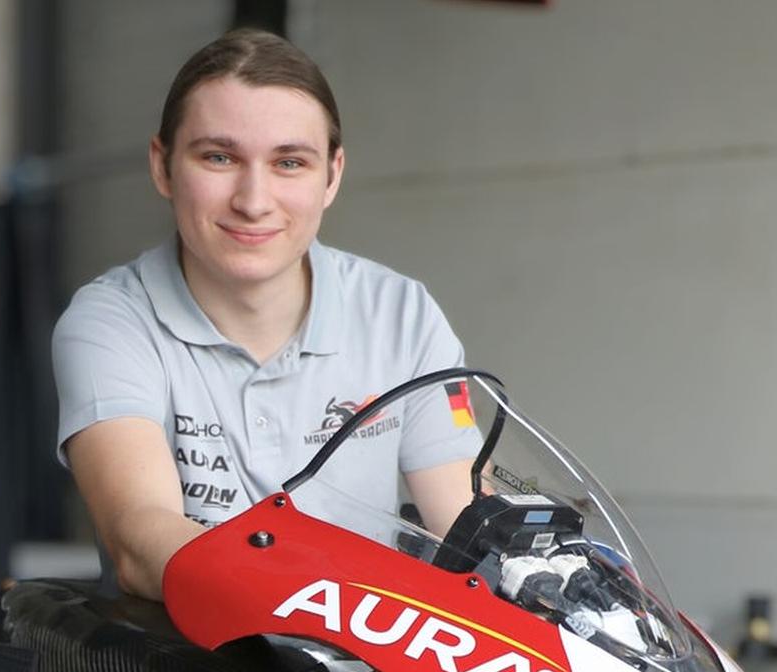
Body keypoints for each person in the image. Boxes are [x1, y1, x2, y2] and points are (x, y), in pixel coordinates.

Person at [54, 28, 480, 599]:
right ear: (163, 167)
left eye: (289, 163)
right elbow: (139, 536)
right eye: (219, 157)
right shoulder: (111, 321)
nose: (253, 201)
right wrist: (308, 598)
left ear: (332, 175)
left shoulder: (400, 312)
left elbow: (465, 526)